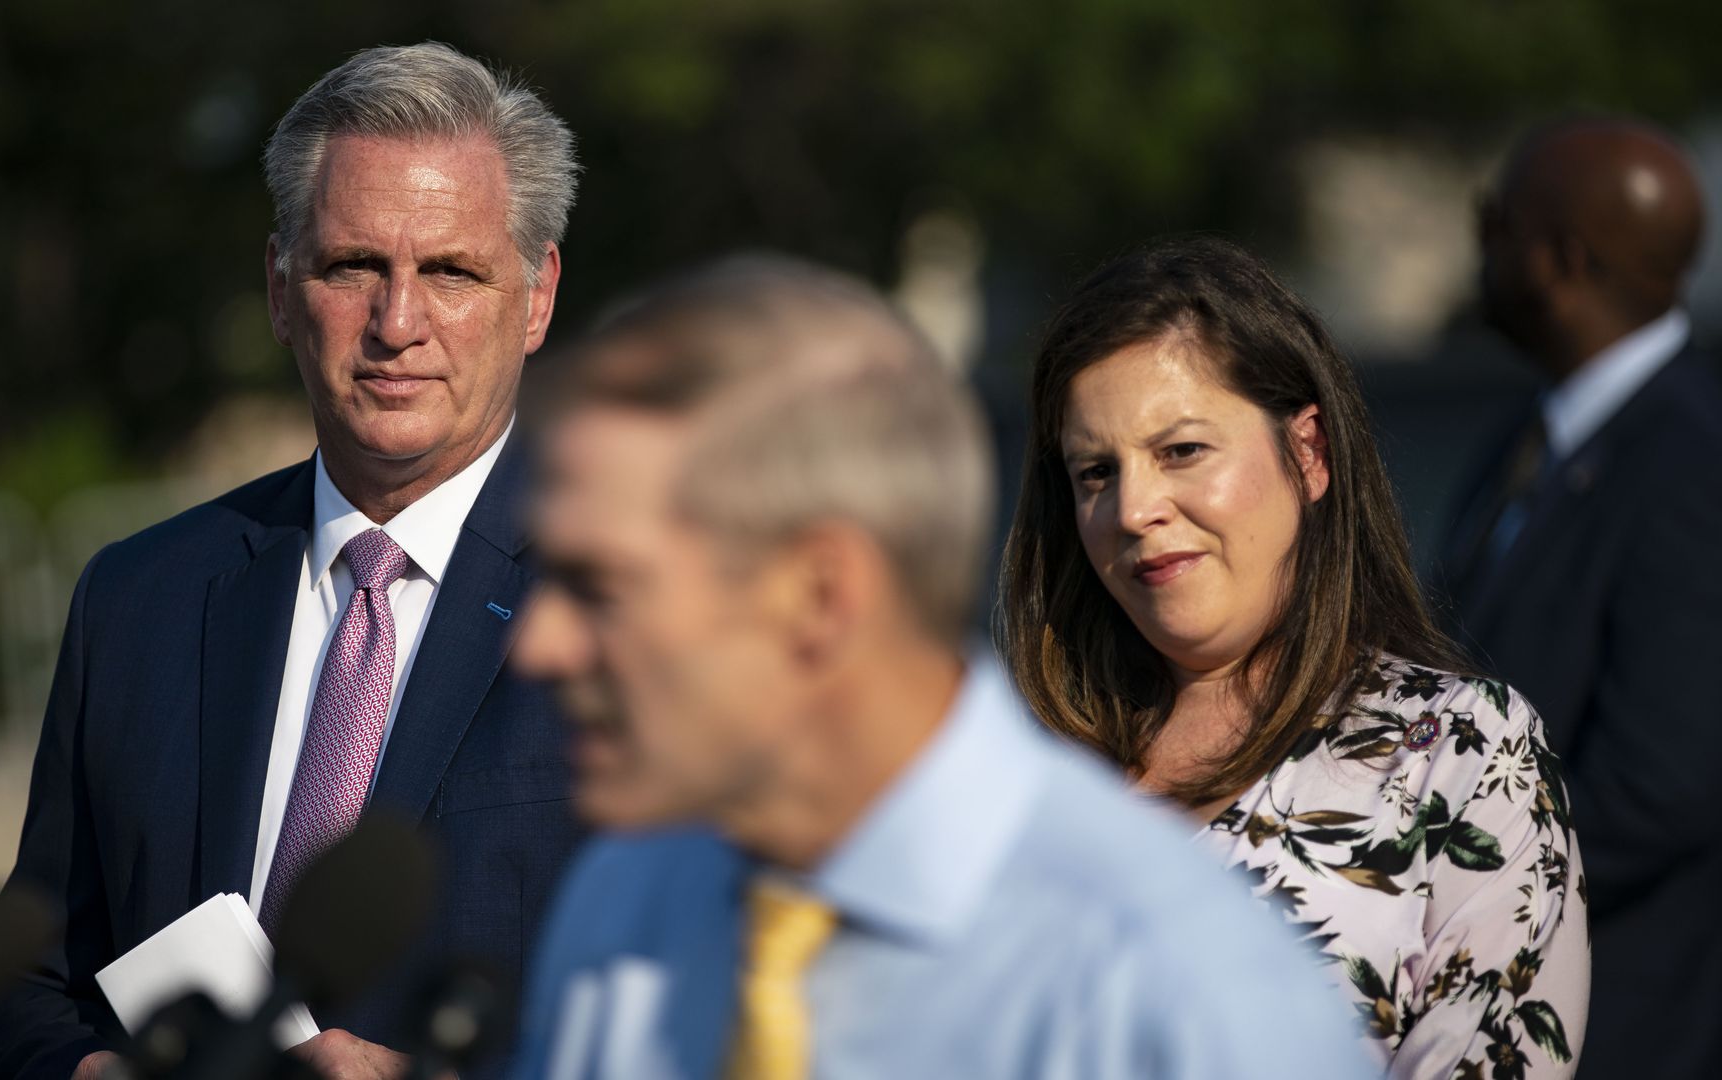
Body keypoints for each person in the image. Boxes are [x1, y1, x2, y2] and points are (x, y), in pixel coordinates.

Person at [507, 255, 1374, 1080]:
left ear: (820, 596)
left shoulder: (1169, 985)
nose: (537, 643)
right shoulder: (625, 905)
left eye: (600, 587)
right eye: (1095, 471)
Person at [0, 43, 586, 1080]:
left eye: (451, 271)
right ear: (278, 287)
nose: (399, 323)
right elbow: (32, 985)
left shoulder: (627, 602)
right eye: (354, 266)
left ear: (534, 298)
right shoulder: (138, 600)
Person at [999, 235, 1589, 1078]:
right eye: (1095, 471)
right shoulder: (1021, 776)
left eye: (1181, 451)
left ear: (1307, 453)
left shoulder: (1456, 754)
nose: (1133, 508)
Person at [1442, 117, 1722, 1079]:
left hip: (1621, 1025)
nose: (1476, 244)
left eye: (1495, 222)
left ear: (1559, 260)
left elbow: (1663, 784)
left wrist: (1437, 871)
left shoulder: (1692, 460)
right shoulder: (1531, 432)